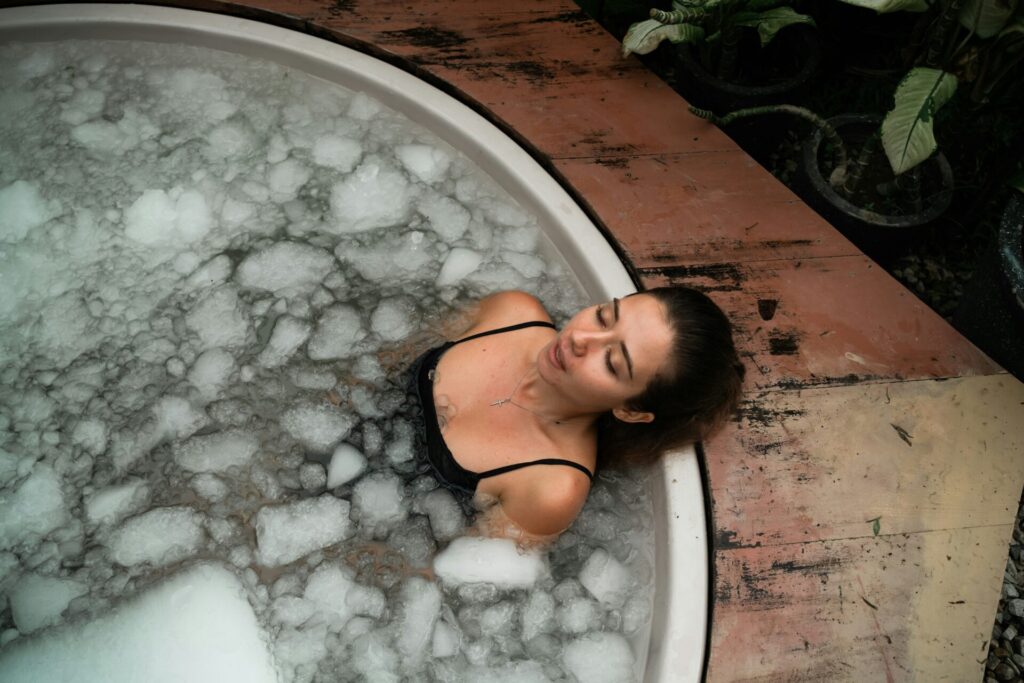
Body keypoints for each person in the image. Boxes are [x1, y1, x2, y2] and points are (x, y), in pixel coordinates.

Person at [409, 287, 744, 547]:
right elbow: (391, 350)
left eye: (612, 362)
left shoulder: (550, 488)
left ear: (630, 410)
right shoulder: (512, 311)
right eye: (604, 316)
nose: (581, 339)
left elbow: (441, 566)